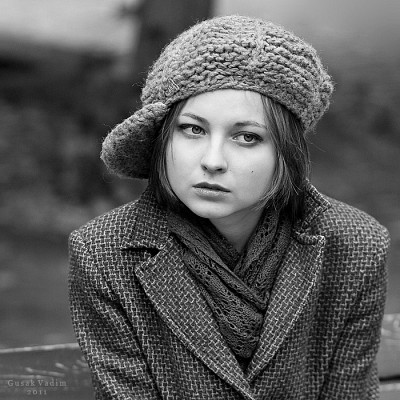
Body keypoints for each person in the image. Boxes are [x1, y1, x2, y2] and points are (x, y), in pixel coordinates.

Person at [68, 15, 390, 400]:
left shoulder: (355, 246)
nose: (213, 161)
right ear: (163, 138)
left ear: (286, 154)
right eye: (193, 129)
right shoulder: (103, 254)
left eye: (247, 137)